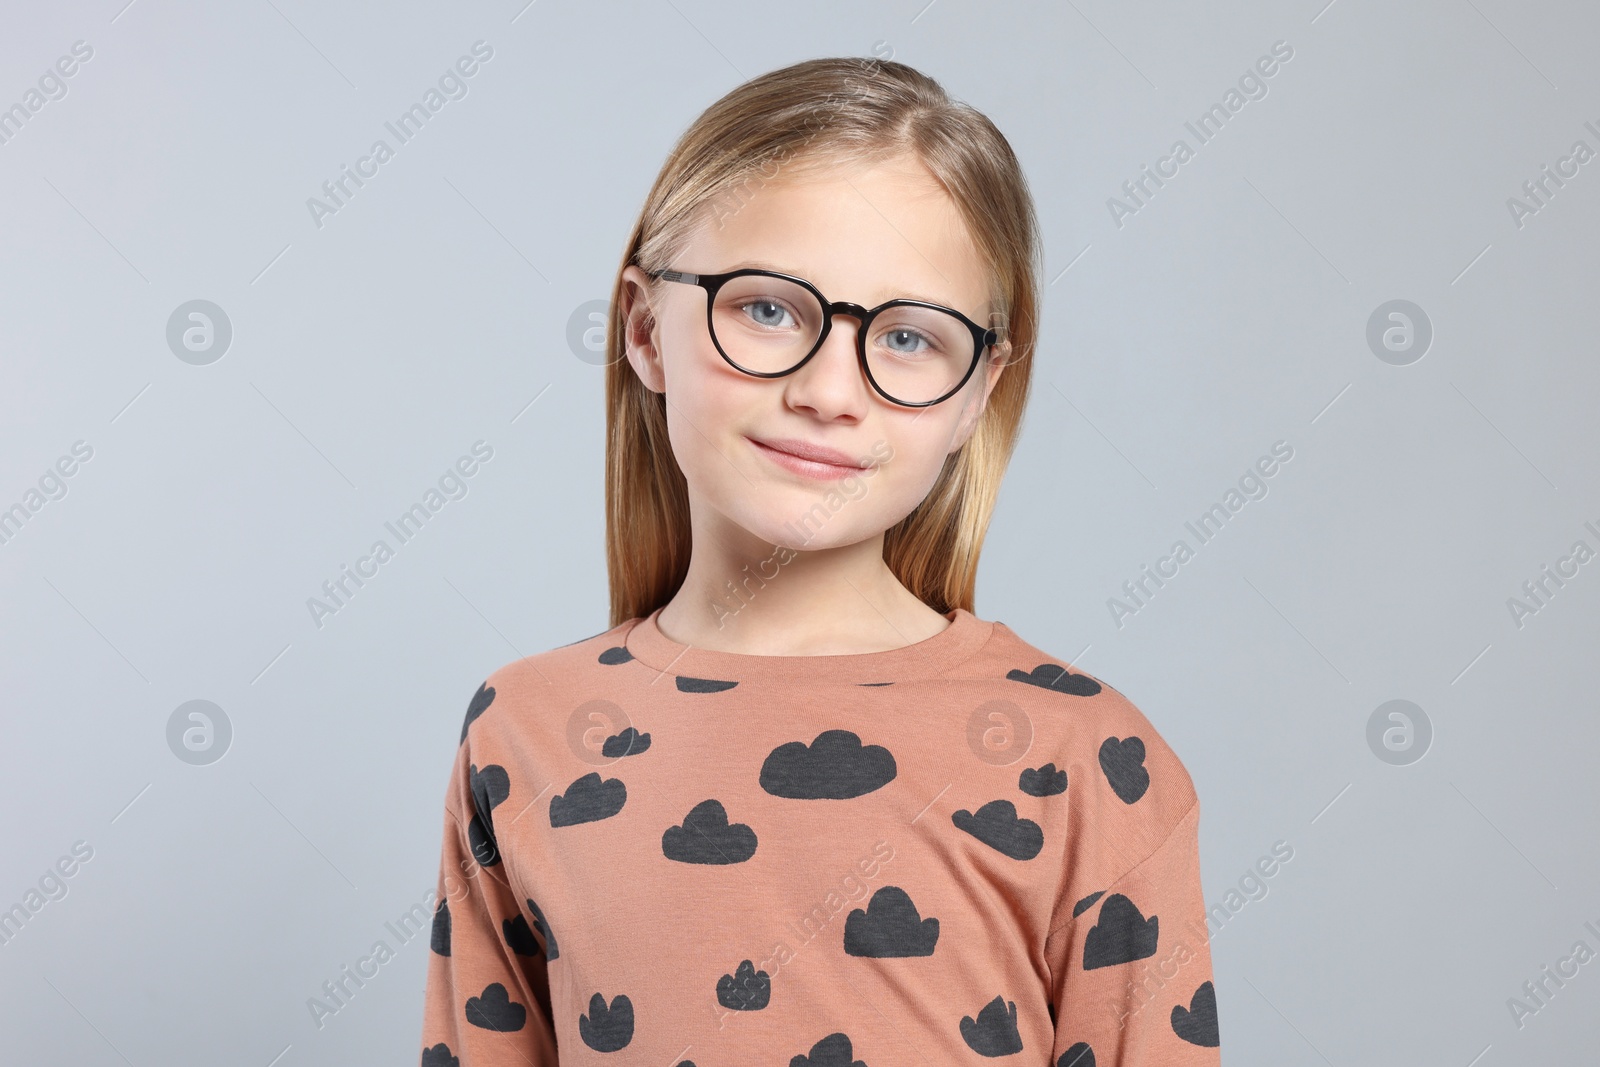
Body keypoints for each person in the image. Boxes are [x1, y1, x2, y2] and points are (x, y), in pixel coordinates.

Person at [419, 56, 1219, 1066]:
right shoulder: (523, 733)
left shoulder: (1085, 759)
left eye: (910, 338)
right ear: (643, 329)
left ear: (978, 391)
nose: (829, 388)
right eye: (766, 309)